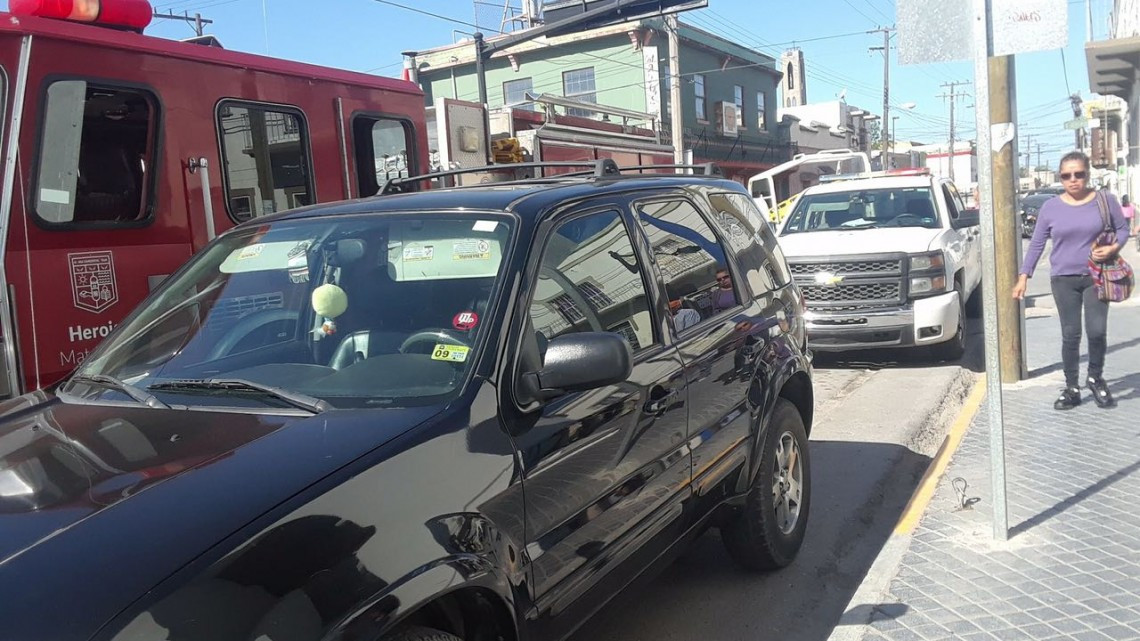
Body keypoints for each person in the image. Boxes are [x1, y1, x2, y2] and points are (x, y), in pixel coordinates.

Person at [1012, 151, 1131, 410]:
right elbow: (1037, 244)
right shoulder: (1050, 208)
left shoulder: (1105, 200)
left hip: (1096, 276)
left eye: (1079, 174)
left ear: (1088, 174)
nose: (1073, 180)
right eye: (1066, 176)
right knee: (1071, 334)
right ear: (1061, 178)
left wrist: (1113, 249)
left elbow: (1123, 229)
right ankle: (1071, 387)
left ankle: (1095, 378)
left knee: (1097, 332)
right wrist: (1024, 276)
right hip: (1063, 279)